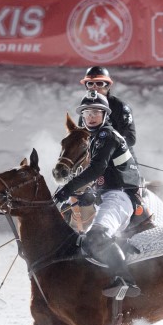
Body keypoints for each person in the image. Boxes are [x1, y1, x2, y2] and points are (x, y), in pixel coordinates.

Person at [53, 90, 143, 299]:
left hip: (121, 196)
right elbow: (104, 177)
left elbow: (96, 169)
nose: (91, 117)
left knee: (95, 236)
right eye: (87, 113)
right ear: (82, 117)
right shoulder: (94, 138)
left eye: (96, 112)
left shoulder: (106, 135)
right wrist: (91, 194)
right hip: (110, 195)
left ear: (105, 115)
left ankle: (125, 280)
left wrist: (67, 189)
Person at [77, 66, 136, 154]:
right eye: (90, 84)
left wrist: (107, 146)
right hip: (94, 158)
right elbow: (81, 137)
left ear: (108, 86)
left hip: (120, 159)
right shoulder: (84, 108)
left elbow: (130, 138)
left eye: (99, 83)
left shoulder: (120, 107)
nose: (94, 87)